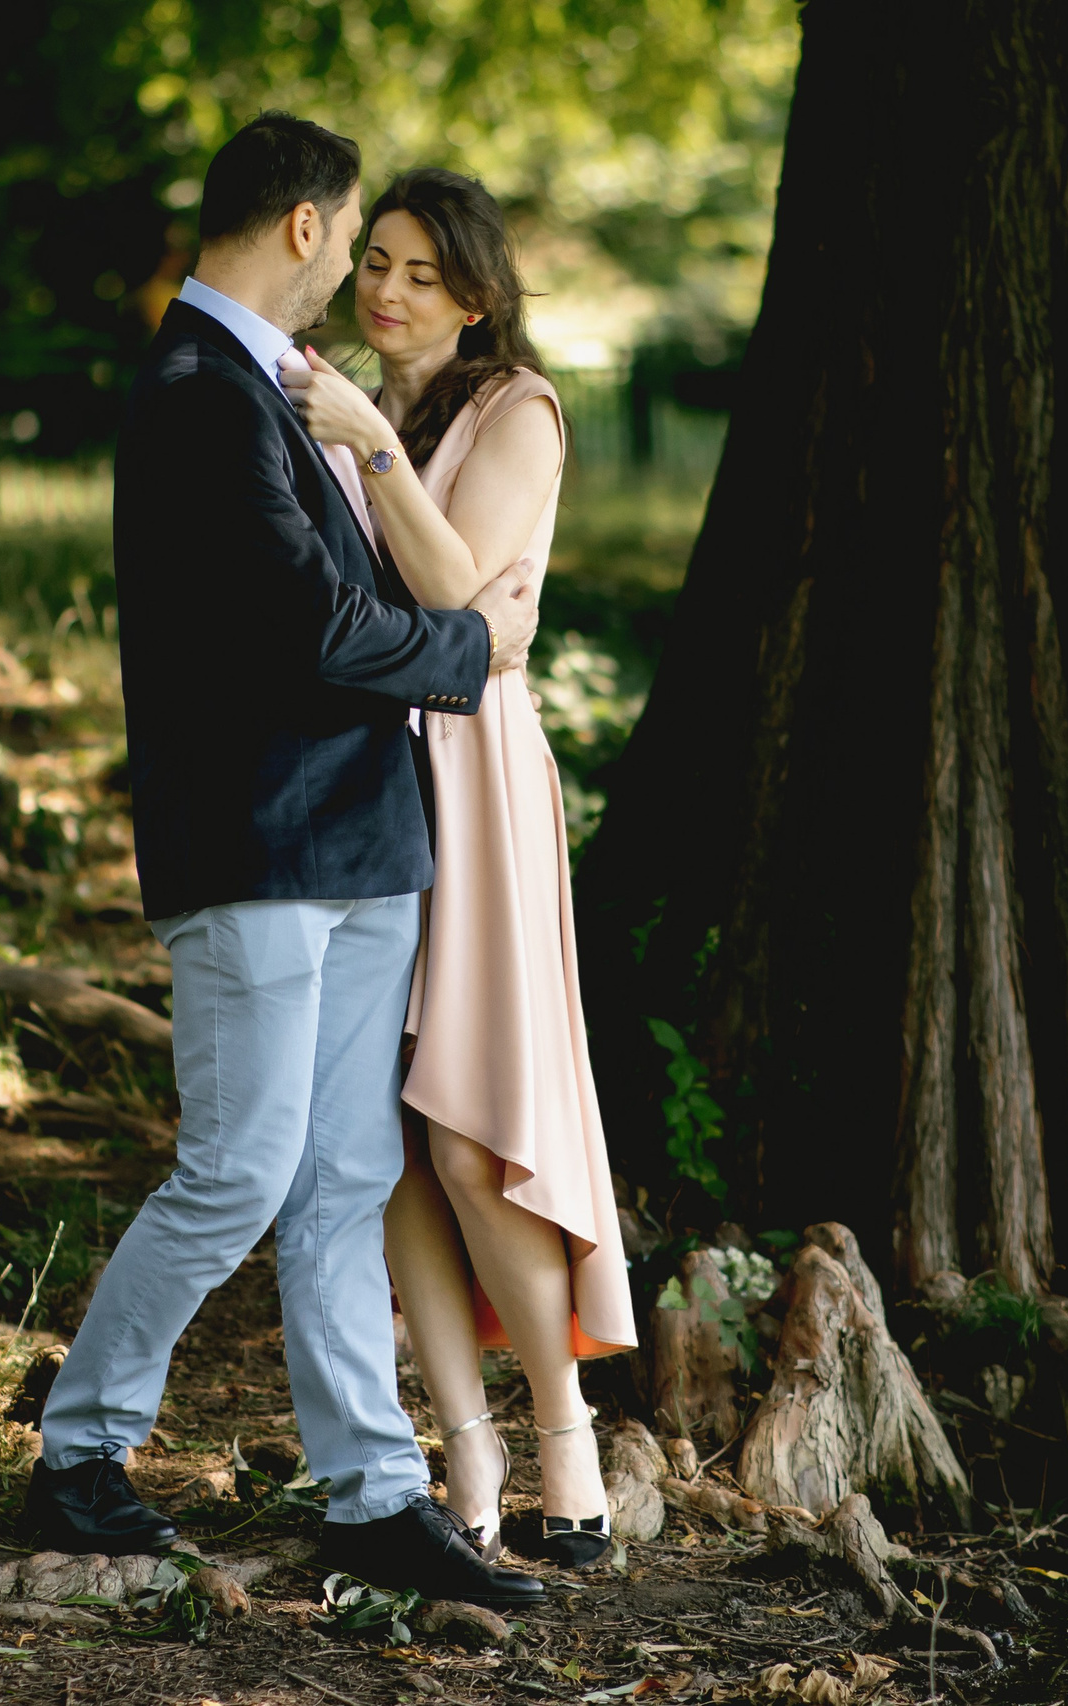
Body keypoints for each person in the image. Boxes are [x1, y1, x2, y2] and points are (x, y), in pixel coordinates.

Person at [17, 113, 548, 1613]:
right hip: (254, 843)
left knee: (343, 1177)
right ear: (306, 226)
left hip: (361, 839)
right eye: (352, 241)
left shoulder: (276, 385)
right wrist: (475, 648)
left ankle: (373, 1493)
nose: (358, 280)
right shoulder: (203, 390)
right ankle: (80, 1448)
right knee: (240, 1167)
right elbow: (310, 627)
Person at [281, 168, 639, 1570]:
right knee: (388, 1146)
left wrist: (370, 443)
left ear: (476, 297)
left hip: (475, 778)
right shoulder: (340, 414)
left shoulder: (515, 412)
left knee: (474, 1136)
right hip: (367, 777)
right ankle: (466, 1450)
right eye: (375, 260)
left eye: (422, 273)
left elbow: (448, 596)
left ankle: (569, 1442)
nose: (387, 290)